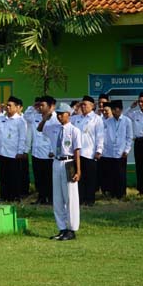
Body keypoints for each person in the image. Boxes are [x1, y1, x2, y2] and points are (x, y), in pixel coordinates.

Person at [39, 102, 82, 241]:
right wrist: (45, 119)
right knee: (57, 197)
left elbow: (77, 151)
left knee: (70, 197)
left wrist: (78, 170)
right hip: (56, 162)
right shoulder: (53, 128)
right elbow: (40, 129)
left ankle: (72, 229)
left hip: (69, 163)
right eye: (57, 114)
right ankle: (62, 228)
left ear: (68, 114)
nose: (58, 116)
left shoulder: (74, 130)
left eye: (61, 114)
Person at [0, 96, 27, 202]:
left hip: (14, 153)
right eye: (7, 105)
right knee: (3, 176)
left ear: (17, 107)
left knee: (14, 176)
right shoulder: (2, 118)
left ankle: (15, 197)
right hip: (2, 152)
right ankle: (4, 196)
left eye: (10, 105)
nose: (8, 107)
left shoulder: (20, 121)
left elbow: (22, 137)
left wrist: (20, 151)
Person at [71, 95, 104, 206]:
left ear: (92, 106)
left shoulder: (96, 119)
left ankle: (90, 200)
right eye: (82, 104)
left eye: (85, 104)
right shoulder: (76, 118)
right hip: (77, 153)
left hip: (90, 152)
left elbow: (100, 136)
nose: (83, 106)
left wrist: (99, 150)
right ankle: (80, 199)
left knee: (90, 178)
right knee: (79, 177)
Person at [24, 96, 57, 205]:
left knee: (49, 178)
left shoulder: (55, 118)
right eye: (39, 105)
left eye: (43, 105)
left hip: (49, 154)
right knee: (39, 178)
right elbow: (26, 116)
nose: (40, 107)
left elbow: (55, 137)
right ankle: (41, 197)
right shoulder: (35, 116)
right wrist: (33, 107)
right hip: (36, 152)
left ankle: (51, 199)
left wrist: (53, 151)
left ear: (50, 106)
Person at [101, 100, 133, 198]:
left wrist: (127, 150)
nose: (114, 111)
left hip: (121, 152)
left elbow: (129, 137)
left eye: (116, 109)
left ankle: (121, 194)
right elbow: (103, 136)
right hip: (109, 152)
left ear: (120, 110)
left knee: (121, 174)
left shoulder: (127, 121)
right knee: (111, 174)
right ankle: (112, 193)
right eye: (113, 109)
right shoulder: (108, 121)